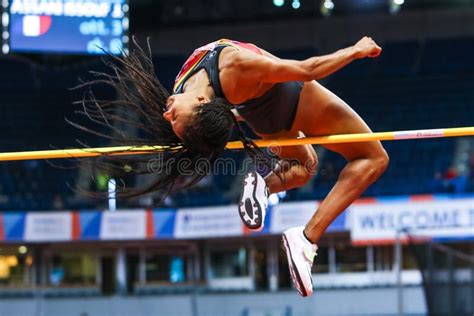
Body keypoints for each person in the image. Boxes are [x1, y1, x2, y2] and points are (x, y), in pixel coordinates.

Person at [75, 36, 389, 297]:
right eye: (176, 120)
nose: (167, 115)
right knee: (374, 159)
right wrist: (356, 50)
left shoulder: (183, 86)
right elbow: (306, 70)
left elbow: (225, 110)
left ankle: (265, 183)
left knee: (305, 167)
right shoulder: (232, 67)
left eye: (173, 120)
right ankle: (306, 238)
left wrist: (235, 114)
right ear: (201, 106)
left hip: (260, 118)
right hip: (292, 99)